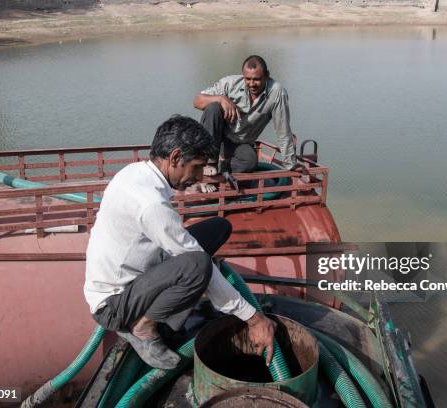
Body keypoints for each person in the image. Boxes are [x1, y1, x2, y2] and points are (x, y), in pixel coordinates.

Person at [84, 115, 276, 369]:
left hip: (138, 276)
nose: (199, 177)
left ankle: (166, 307)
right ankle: (143, 328)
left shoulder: (136, 172)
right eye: (196, 167)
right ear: (175, 157)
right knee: (198, 266)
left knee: (219, 227)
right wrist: (253, 318)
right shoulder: (150, 204)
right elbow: (196, 259)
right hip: (114, 304)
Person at [193, 55, 299, 178]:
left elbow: (283, 130)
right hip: (217, 139)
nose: (252, 84)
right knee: (213, 107)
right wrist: (221, 99)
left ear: (267, 75)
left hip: (240, 144)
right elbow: (197, 101)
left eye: (257, 79)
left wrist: (290, 164)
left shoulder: (277, 93)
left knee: (250, 161)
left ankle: (221, 167)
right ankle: (208, 163)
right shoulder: (229, 83)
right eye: (247, 79)